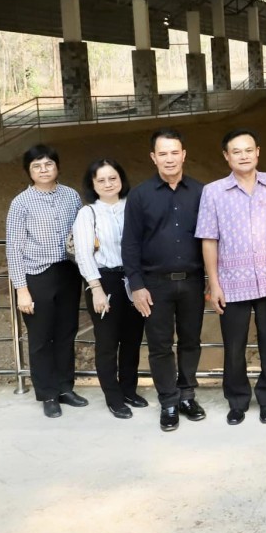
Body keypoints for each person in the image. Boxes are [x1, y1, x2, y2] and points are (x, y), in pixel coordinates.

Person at [196, 128, 266, 425]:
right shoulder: (213, 191)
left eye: (249, 150)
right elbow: (209, 240)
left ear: (258, 152)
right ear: (226, 156)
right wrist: (214, 283)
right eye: (236, 151)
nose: (244, 156)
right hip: (231, 283)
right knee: (234, 346)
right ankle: (237, 401)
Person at [123, 128, 206, 432]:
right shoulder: (139, 195)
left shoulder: (201, 192)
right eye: (163, 153)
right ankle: (169, 401)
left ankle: (187, 395)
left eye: (174, 152)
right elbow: (130, 243)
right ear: (153, 157)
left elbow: (211, 239)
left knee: (190, 341)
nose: (169, 159)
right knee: (160, 345)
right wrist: (136, 285)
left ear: (183, 154)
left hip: (193, 281)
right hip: (154, 283)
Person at [6, 144, 85, 418]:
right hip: (37, 275)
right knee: (41, 338)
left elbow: (81, 234)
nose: (43, 170)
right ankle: (48, 394)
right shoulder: (21, 203)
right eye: (36, 166)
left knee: (66, 333)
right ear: (29, 171)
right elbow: (13, 248)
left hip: (68, 272)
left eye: (48, 164)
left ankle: (65, 388)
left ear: (57, 166)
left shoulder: (71, 196)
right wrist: (21, 289)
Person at [72, 159, 147, 419]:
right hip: (104, 280)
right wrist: (96, 288)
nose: (108, 184)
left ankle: (129, 390)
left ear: (121, 180)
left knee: (132, 339)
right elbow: (83, 254)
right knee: (107, 342)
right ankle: (113, 397)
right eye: (101, 180)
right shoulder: (88, 213)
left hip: (133, 278)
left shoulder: (133, 206)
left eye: (112, 178)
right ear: (92, 184)